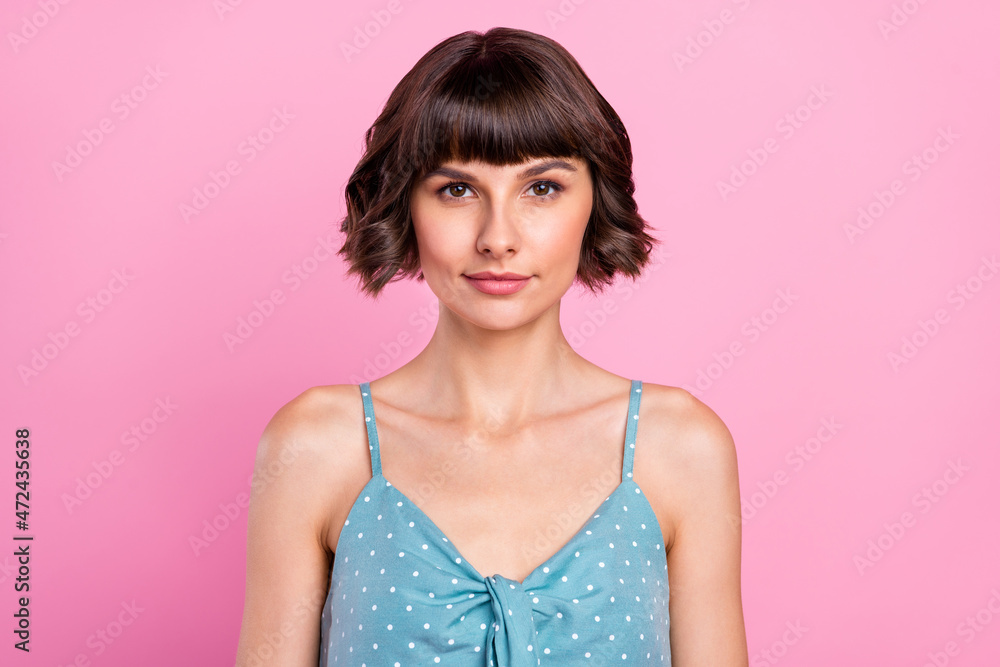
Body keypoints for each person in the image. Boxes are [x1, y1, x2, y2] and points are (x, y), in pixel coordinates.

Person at [236, 27, 748, 666]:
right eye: (456, 189)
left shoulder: (680, 449)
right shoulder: (316, 445)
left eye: (541, 188)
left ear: (596, 200)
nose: (497, 237)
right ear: (406, 205)